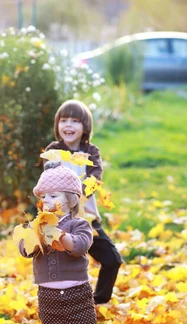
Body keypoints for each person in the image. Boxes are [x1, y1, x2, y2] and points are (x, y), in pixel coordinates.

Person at [17, 161, 110, 324]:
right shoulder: (37, 226)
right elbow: (25, 250)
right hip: (48, 298)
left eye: (53, 195)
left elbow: (79, 246)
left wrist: (60, 235)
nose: (46, 200)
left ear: (70, 199)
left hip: (78, 296)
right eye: (43, 196)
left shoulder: (80, 224)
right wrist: (35, 235)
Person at [44, 99, 123, 304]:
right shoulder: (53, 150)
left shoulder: (91, 152)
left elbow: (95, 177)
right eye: (64, 120)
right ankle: (60, 303)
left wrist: (83, 187)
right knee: (61, 265)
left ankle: (99, 301)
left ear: (85, 127)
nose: (68, 125)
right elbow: (48, 179)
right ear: (57, 125)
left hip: (86, 218)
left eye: (75, 121)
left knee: (112, 260)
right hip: (60, 219)